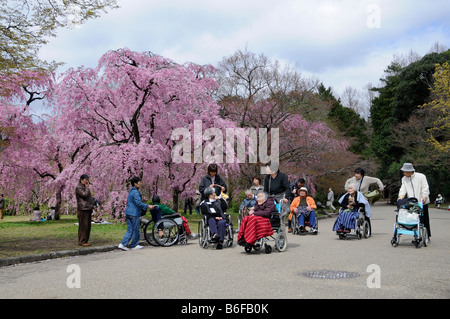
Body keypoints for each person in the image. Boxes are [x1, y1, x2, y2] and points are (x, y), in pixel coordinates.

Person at [397, 163, 431, 241]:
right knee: (414, 219)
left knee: (424, 219)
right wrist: (400, 197)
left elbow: (425, 188)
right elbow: (403, 189)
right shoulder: (404, 179)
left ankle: (427, 236)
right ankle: (417, 235)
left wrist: (424, 196)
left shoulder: (421, 176)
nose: (404, 173)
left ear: (410, 171)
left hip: (422, 201)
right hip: (412, 202)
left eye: (405, 172)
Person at [118, 176, 154, 251]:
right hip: (134, 213)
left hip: (128, 212)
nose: (140, 184)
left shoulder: (131, 191)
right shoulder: (136, 192)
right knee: (135, 229)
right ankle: (134, 244)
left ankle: (122, 244)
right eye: (139, 182)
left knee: (130, 229)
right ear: (135, 184)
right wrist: (148, 206)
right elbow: (138, 203)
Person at [75, 174, 95, 246]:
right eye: (86, 180)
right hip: (83, 209)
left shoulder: (84, 187)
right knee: (84, 226)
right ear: (81, 180)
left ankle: (85, 240)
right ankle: (82, 241)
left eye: (88, 180)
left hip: (87, 208)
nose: (87, 182)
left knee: (87, 226)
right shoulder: (79, 187)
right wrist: (87, 188)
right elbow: (84, 195)